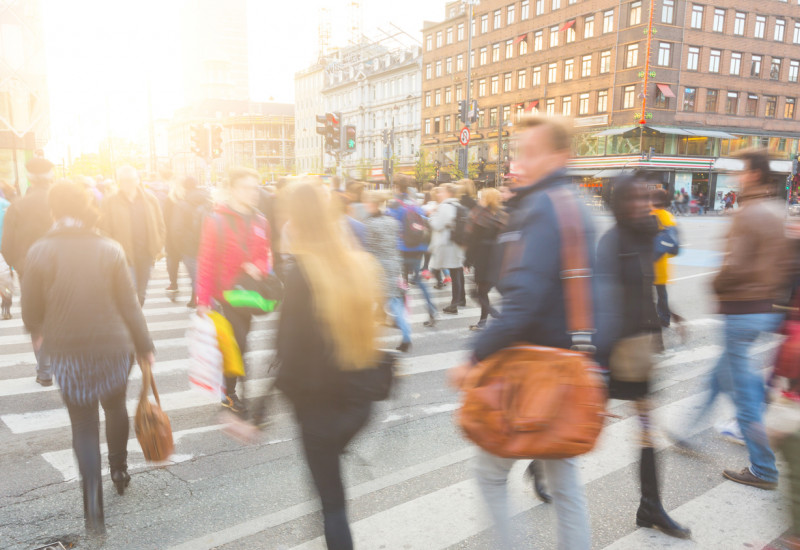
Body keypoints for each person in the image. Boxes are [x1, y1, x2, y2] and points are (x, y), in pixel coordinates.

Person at [448, 115, 593, 549]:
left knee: (491, 475)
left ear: (558, 155)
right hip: (561, 368)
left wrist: (474, 355)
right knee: (564, 484)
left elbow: (524, 300)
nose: (519, 161)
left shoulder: (543, 207)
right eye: (517, 151)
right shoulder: (568, 202)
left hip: (532, 369)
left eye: (530, 152)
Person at [21, 182, 154, 537]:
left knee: (82, 425)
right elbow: (130, 304)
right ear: (87, 208)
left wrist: (38, 331)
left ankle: (93, 505)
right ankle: (120, 470)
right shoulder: (109, 248)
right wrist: (144, 345)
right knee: (115, 406)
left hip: (68, 349)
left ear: (53, 210)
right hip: (114, 345)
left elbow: (31, 309)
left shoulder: (40, 251)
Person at [673, 149, 794, 490]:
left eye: (739, 171)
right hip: (763, 310)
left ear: (754, 174)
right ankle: (684, 431)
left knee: (744, 397)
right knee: (719, 376)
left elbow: (735, 267)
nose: (734, 177)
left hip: (741, 311)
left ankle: (764, 469)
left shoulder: (747, 213)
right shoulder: (775, 209)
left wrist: (715, 284)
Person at [275, 179, 382, 550]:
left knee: (332, 505)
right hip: (359, 402)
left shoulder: (302, 273)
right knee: (330, 492)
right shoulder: (358, 263)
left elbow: (286, 350)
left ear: (295, 221)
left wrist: (260, 411)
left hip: (319, 406)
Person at [595, 174, 691, 539]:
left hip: (641, 346)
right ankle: (543, 463)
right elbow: (602, 306)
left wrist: (671, 312)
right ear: (616, 203)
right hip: (615, 351)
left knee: (648, 431)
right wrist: (598, 366)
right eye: (632, 199)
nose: (640, 204)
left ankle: (650, 506)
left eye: (644, 197)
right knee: (581, 422)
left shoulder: (644, 233)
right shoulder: (611, 241)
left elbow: (645, 284)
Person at [196, 168, 271, 414]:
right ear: (234, 190)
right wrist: (202, 299)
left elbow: (265, 255)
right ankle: (229, 393)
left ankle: (230, 386)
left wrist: (258, 267)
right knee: (236, 343)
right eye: (247, 188)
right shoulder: (217, 219)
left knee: (242, 342)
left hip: (248, 293)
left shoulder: (261, 221)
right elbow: (206, 261)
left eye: (255, 188)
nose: (254, 193)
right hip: (225, 294)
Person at [1, 158, 56, 384]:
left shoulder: (18, 206)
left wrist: (21, 265)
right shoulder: (61, 203)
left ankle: (44, 370)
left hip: (30, 270)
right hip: (63, 268)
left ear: (30, 178)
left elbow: (6, 246)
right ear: (51, 177)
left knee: (38, 319)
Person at [99, 166, 165, 305]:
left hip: (146, 255)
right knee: (131, 292)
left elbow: (160, 224)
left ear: (137, 180)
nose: (127, 184)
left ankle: (135, 321)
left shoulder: (150, 199)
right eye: (123, 181)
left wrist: (158, 245)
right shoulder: (110, 201)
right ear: (119, 182)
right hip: (124, 256)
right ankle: (133, 324)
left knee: (141, 293)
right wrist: (113, 251)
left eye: (130, 180)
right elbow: (104, 229)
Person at [363, 191, 411, 352]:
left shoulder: (369, 224)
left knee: (388, 303)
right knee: (394, 302)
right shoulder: (392, 222)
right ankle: (405, 336)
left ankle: (367, 339)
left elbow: (369, 249)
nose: (365, 205)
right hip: (394, 265)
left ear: (373, 204)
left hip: (378, 269)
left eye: (367, 203)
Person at [387, 175, 437, 327]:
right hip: (417, 247)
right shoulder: (414, 204)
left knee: (398, 283)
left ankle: (398, 316)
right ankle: (431, 310)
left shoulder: (395, 204)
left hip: (401, 248)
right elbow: (424, 221)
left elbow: (389, 224)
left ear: (396, 187)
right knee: (419, 281)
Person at [464, 187, 507, 330]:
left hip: (484, 257)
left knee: (478, 292)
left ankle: (496, 316)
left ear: (487, 199)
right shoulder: (501, 215)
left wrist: (468, 260)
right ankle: (484, 321)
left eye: (482, 197)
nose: (479, 200)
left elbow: (473, 241)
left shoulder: (480, 216)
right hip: (498, 256)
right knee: (484, 290)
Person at [650, 188, 685, 336]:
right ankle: (665, 319)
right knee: (662, 294)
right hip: (663, 263)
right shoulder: (669, 216)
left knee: (648, 295)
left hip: (650, 263)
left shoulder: (650, 216)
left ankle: (656, 319)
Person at [173, 176, 212, 308]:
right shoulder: (208, 200)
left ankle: (206, 304)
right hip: (209, 245)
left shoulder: (182, 204)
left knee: (195, 277)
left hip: (190, 248)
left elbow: (176, 229)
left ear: (185, 187)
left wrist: (180, 248)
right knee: (205, 276)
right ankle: (198, 299)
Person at [429, 183, 466, 315]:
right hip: (457, 244)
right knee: (456, 273)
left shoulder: (444, 206)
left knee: (453, 273)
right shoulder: (458, 205)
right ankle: (459, 300)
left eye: (442, 191)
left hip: (448, 244)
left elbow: (437, 225)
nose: (439, 194)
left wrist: (432, 215)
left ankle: (454, 304)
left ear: (448, 193)